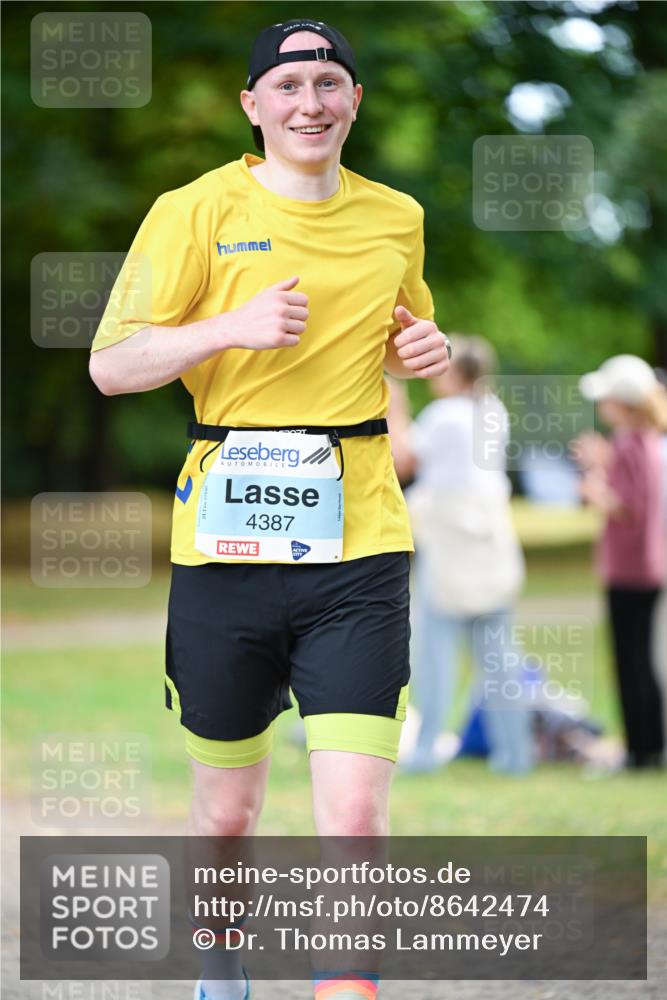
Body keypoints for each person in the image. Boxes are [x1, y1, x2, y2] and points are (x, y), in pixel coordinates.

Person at [89, 18, 450, 1000]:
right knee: (226, 811)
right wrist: (228, 328)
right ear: (254, 105)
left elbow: (399, 337)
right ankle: (220, 965)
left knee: (356, 811)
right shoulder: (193, 208)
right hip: (225, 551)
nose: (310, 102)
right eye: (288, 85)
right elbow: (112, 365)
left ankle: (348, 984)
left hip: (360, 546)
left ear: (354, 102)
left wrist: (423, 358)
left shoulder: (396, 217)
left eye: (329, 82)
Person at [396, 335, 533, 775]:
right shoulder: (493, 410)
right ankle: (514, 754)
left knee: (434, 652)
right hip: (491, 541)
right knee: (498, 655)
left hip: (451, 543)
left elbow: (404, 459)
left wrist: (392, 404)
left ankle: (427, 748)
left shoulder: (444, 415)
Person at [572, 355, 667, 770]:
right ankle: (649, 743)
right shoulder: (645, 441)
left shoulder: (631, 443)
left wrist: (594, 486)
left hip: (631, 567)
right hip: (648, 565)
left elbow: (631, 507)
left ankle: (640, 749)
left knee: (630, 659)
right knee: (640, 656)